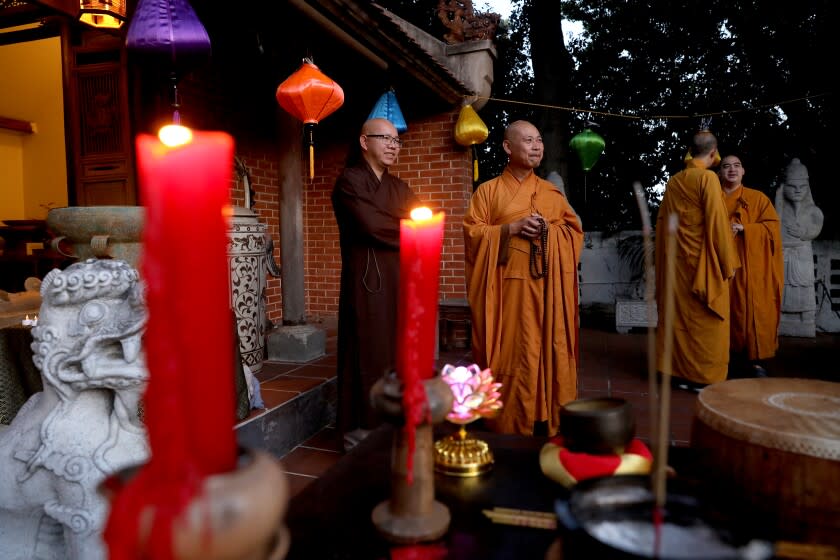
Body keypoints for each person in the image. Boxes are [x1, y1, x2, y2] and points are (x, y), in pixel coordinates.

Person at [463, 120, 584, 436]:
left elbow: (573, 234)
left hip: (547, 293)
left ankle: (545, 415)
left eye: (539, 140)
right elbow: (473, 235)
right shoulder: (487, 192)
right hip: (504, 295)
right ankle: (506, 419)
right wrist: (509, 229)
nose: (536, 146)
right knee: (508, 354)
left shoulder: (551, 194)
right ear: (507, 147)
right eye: (528, 140)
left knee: (546, 350)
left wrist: (548, 231)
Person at [331, 118, 421, 451]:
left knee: (399, 349)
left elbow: (419, 222)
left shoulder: (399, 187)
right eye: (386, 138)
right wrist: (406, 225)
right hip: (367, 281)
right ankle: (362, 428)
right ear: (364, 141)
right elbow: (371, 225)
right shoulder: (349, 182)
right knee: (367, 349)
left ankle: (395, 419)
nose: (393, 146)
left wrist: (406, 224)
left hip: (402, 277)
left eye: (397, 141)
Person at [655, 130, 739, 392]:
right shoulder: (708, 179)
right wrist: (728, 263)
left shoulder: (675, 181)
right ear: (713, 153)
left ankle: (678, 373)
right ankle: (704, 378)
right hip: (703, 264)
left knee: (679, 320)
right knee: (709, 323)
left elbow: (663, 225)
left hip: (677, 264)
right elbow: (717, 224)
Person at [718, 153, 783, 377]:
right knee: (723, 313)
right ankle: (719, 360)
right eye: (726, 166)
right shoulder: (712, 197)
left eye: (737, 166)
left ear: (743, 171)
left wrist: (747, 230)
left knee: (751, 312)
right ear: (720, 172)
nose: (732, 170)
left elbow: (772, 229)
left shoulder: (758, 198)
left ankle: (755, 362)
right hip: (719, 267)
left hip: (751, 268)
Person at [774, 157, 824, 337]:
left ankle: (806, 319)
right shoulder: (778, 209)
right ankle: (780, 319)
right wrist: (778, 202)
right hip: (783, 255)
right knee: (782, 287)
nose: (797, 191)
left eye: (802, 187)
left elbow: (815, 229)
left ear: (807, 187)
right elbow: (774, 229)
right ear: (784, 186)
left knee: (804, 286)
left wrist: (803, 232)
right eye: (792, 186)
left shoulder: (813, 212)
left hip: (802, 256)